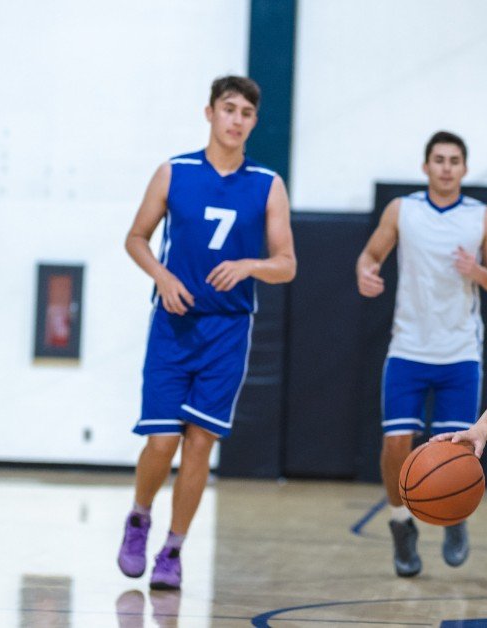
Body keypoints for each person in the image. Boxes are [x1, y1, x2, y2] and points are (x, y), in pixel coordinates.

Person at [118, 75, 297, 590]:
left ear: (253, 122)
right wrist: (162, 275)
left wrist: (249, 265)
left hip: (228, 331)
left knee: (199, 446)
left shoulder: (267, 183)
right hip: (173, 326)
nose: (236, 119)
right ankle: (139, 516)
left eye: (246, 112)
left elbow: (286, 264)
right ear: (210, 113)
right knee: (161, 441)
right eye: (228, 109)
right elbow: (135, 238)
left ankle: (173, 550)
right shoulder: (174, 172)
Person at [356, 131, 487, 577]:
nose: (446, 167)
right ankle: (401, 523)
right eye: (438, 160)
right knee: (396, 444)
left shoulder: (482, 217)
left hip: (458, 352)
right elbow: (370, 255)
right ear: (426, 167)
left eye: (454, 160)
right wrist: (366, 273)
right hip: (408, 348)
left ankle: (455, 517)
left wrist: (476, 270)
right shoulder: (403, 210)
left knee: (457, 449)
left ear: (464, 168)